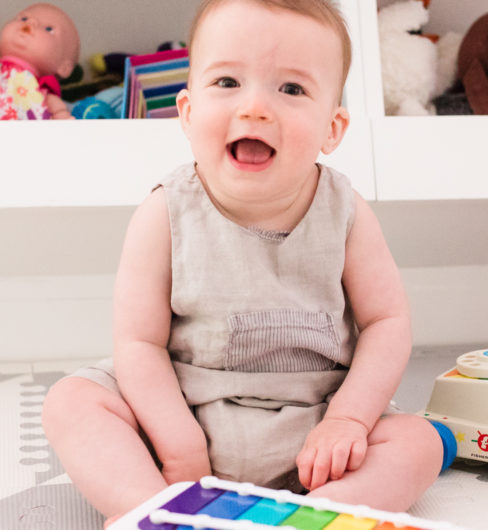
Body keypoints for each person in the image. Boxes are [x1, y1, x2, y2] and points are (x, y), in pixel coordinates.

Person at [42, 0, 445, 525]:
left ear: (333, 128)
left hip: (313, 431)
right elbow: (138, 344)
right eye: (228, 82)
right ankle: (157, 512)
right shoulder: (165, 211)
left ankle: (322, 515)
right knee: (71, 402)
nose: (255, 108)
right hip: (181, 418)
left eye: (292, 89)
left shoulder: (345, 212)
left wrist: (346, 420)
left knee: (420, 442)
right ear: (187, 113)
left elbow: (386, 323)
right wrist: (178, 444)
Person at [0, 3, 79, 119]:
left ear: (64, 67)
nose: (30, 23)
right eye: (24, 18)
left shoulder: (45, 96)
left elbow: (62, 118)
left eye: (48, 29)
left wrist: (63, 118)